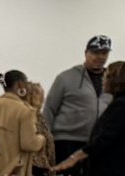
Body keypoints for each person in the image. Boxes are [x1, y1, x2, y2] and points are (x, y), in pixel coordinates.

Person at [61, 59, 125, 176]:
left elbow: (105, 137)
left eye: (106, 77)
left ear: (116, 80)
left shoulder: (122, 104)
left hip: (119, 173)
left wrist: (76, 156)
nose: (103, 81)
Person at [45, 35, 112, 168]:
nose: (100, 57)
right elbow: (49, 109)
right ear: (86, 53)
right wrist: (47, 140)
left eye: (104, 53)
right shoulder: (66, 77)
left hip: (96, 143)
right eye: (95, 52)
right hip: (67, 141)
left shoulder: (112, 80)